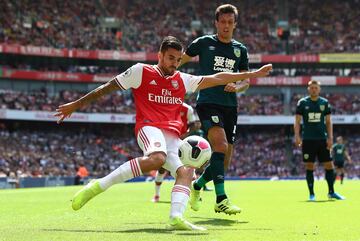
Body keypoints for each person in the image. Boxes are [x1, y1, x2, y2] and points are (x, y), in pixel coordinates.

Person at [55, 36, 272, 230]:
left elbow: (218, 77)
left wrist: (252, 74)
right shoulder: (141, 71)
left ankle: (176, 217)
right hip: (148, 127)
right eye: (170, 58)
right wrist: (76, 104)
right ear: (159, 55)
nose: (174, 64)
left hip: (172, 135)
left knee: (187, 171)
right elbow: (107, 87)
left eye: (178, 59)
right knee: (156, 159)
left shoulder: (182, 79)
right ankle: (97, 186)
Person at [180, 4, 250, 214]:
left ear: (235, 24)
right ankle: (221, 199)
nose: (226, 26)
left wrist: (237, 85)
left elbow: (246, 80)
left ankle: (197, 185)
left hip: (230, 106)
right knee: (219, 146)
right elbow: (179, 61)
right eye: (223, 22)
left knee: (224, 160)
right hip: (208, 101)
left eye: (230, 22)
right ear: (216, 23)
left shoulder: (240, 50)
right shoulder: (204, 43)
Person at [294, 80, 345, 201]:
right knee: (309, 166)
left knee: (329, 164)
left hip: (322, 139)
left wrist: (330, 138)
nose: (314, 90)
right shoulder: (302, 103)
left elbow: (328, 122)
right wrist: (297, 135)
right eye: (311, 88)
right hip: (308, 139)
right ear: (308, 89)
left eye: (316, 88)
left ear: (319, 89)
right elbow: (297, 121)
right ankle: (312, 194)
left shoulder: (325, 103)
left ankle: (331, 192)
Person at [152, 103, 211, 203]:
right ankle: (157, 195)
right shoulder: (165, 105)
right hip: (166, 141)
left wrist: (185, 135)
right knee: (162, 169)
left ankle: (194, 195)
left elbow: (193, 125)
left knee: (188, 168)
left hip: (182, 144)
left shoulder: (187, 109)